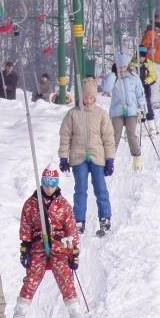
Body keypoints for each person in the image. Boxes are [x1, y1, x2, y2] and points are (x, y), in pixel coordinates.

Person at [9, 167, 84, 318]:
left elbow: (71, 230)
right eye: (46, 183)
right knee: (31, 281)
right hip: (38, 248)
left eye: (52, 184)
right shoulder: (31, 204)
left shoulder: (63, 204)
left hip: (59, 249)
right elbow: (26, 226)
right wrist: (25, 248)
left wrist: (74, 253)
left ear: (57, 184)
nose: (49, 187)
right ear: (41, 183)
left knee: (67, 283)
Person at [58, 77, 116, 236]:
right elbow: (65, 136)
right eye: (85, 97)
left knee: (100, 188)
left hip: (97, 156)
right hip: (78, 156)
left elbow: (108, 137)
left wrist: (109, 158)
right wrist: (64, 157)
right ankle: (78, 220)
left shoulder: (101, 114)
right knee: (80, 189)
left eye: (91, 97)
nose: (88, 100)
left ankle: (105, 217)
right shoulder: (73, 114)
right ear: (81, 96)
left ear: (95, 97)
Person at [102, 53, 147, 172]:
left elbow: (140, 94)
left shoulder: (134, 77)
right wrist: (112, 75)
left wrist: (143, 109)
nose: (121, 69)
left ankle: (137, 159)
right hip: (117, 111)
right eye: (119, 66)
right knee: (114, 136)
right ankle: (109, 160)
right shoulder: (113, 77)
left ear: (127, 66)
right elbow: (106, 89)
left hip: (132, 110)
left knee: (131, 135)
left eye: (123, 66)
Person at [140, 13, 160, 109]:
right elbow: (143, 45)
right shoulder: (151, 33)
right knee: (155, 81)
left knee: (159, 82)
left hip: (158, 61)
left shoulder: (158, 35)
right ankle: (154, 102)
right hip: (151, 61)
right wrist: (144, 56)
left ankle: (157, 101)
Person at [132, 46, 157, 133]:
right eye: (140, 56)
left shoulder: (148, 64)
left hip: (145, 88)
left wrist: (147, 81)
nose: (142, 58)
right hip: (134, 89)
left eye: (143, 56)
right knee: (134, 107)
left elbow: (154, 76)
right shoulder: (132, 64)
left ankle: (151, 126)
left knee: (147, 105)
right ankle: (132, 128)